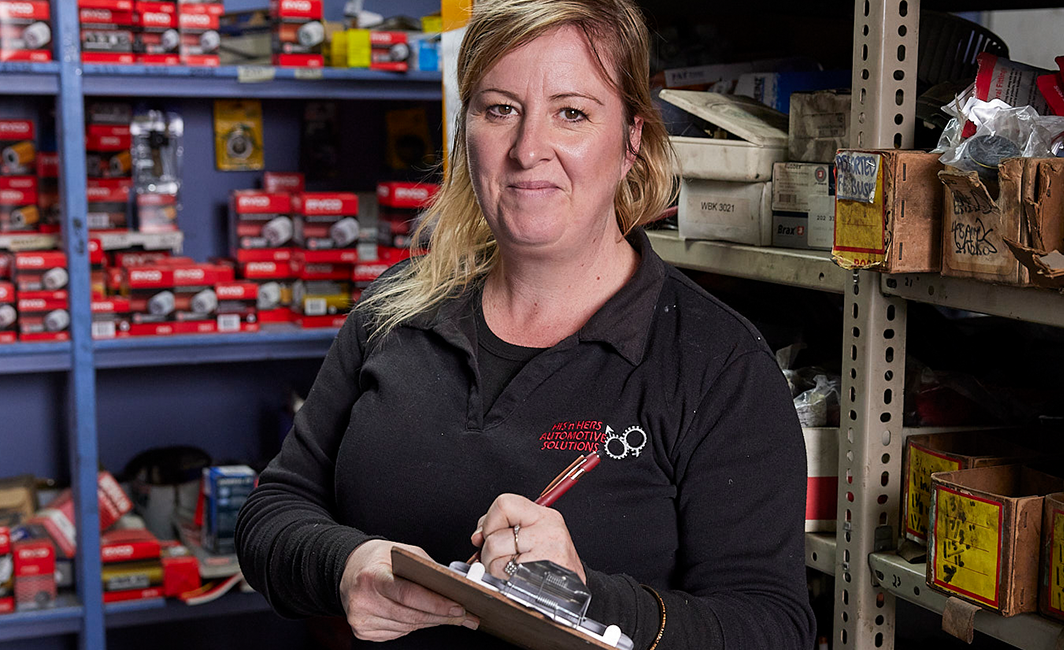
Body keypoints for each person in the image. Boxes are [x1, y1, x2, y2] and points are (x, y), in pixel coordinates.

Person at [235, 0, 814, 648]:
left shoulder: (717, 363)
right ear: (467, 132)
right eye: (500, 108)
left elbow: (772, 627)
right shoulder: (392, 311)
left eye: (571, 112)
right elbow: (270, 514)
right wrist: (345, 566)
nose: (527, 149)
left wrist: (588, 597)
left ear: (630, 143)